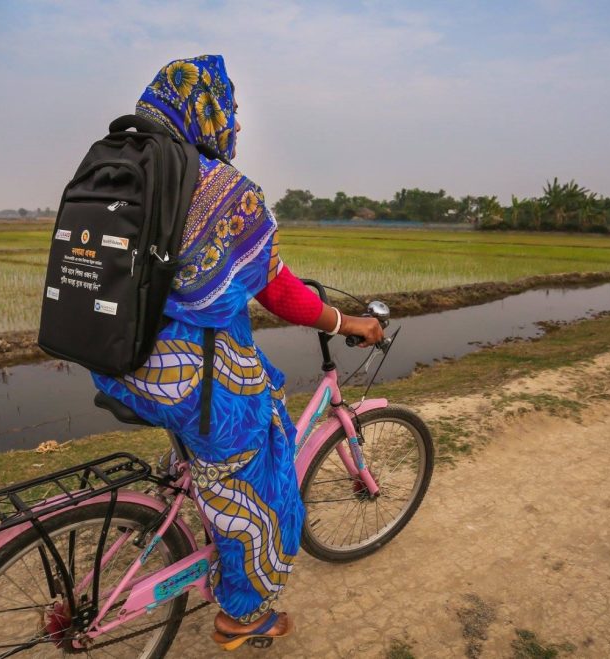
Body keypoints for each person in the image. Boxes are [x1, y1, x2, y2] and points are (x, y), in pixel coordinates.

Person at [91, 54, 384, 648]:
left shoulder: (121, 169)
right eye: (230, 110)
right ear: (203, 111)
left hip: (117, 361)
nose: (238, 126)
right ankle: (243, 614)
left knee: (212, 450)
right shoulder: (220, 188)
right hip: (190, 380)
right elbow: (278, 291)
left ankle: (196, 508)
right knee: (265, 470)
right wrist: (345, 319)